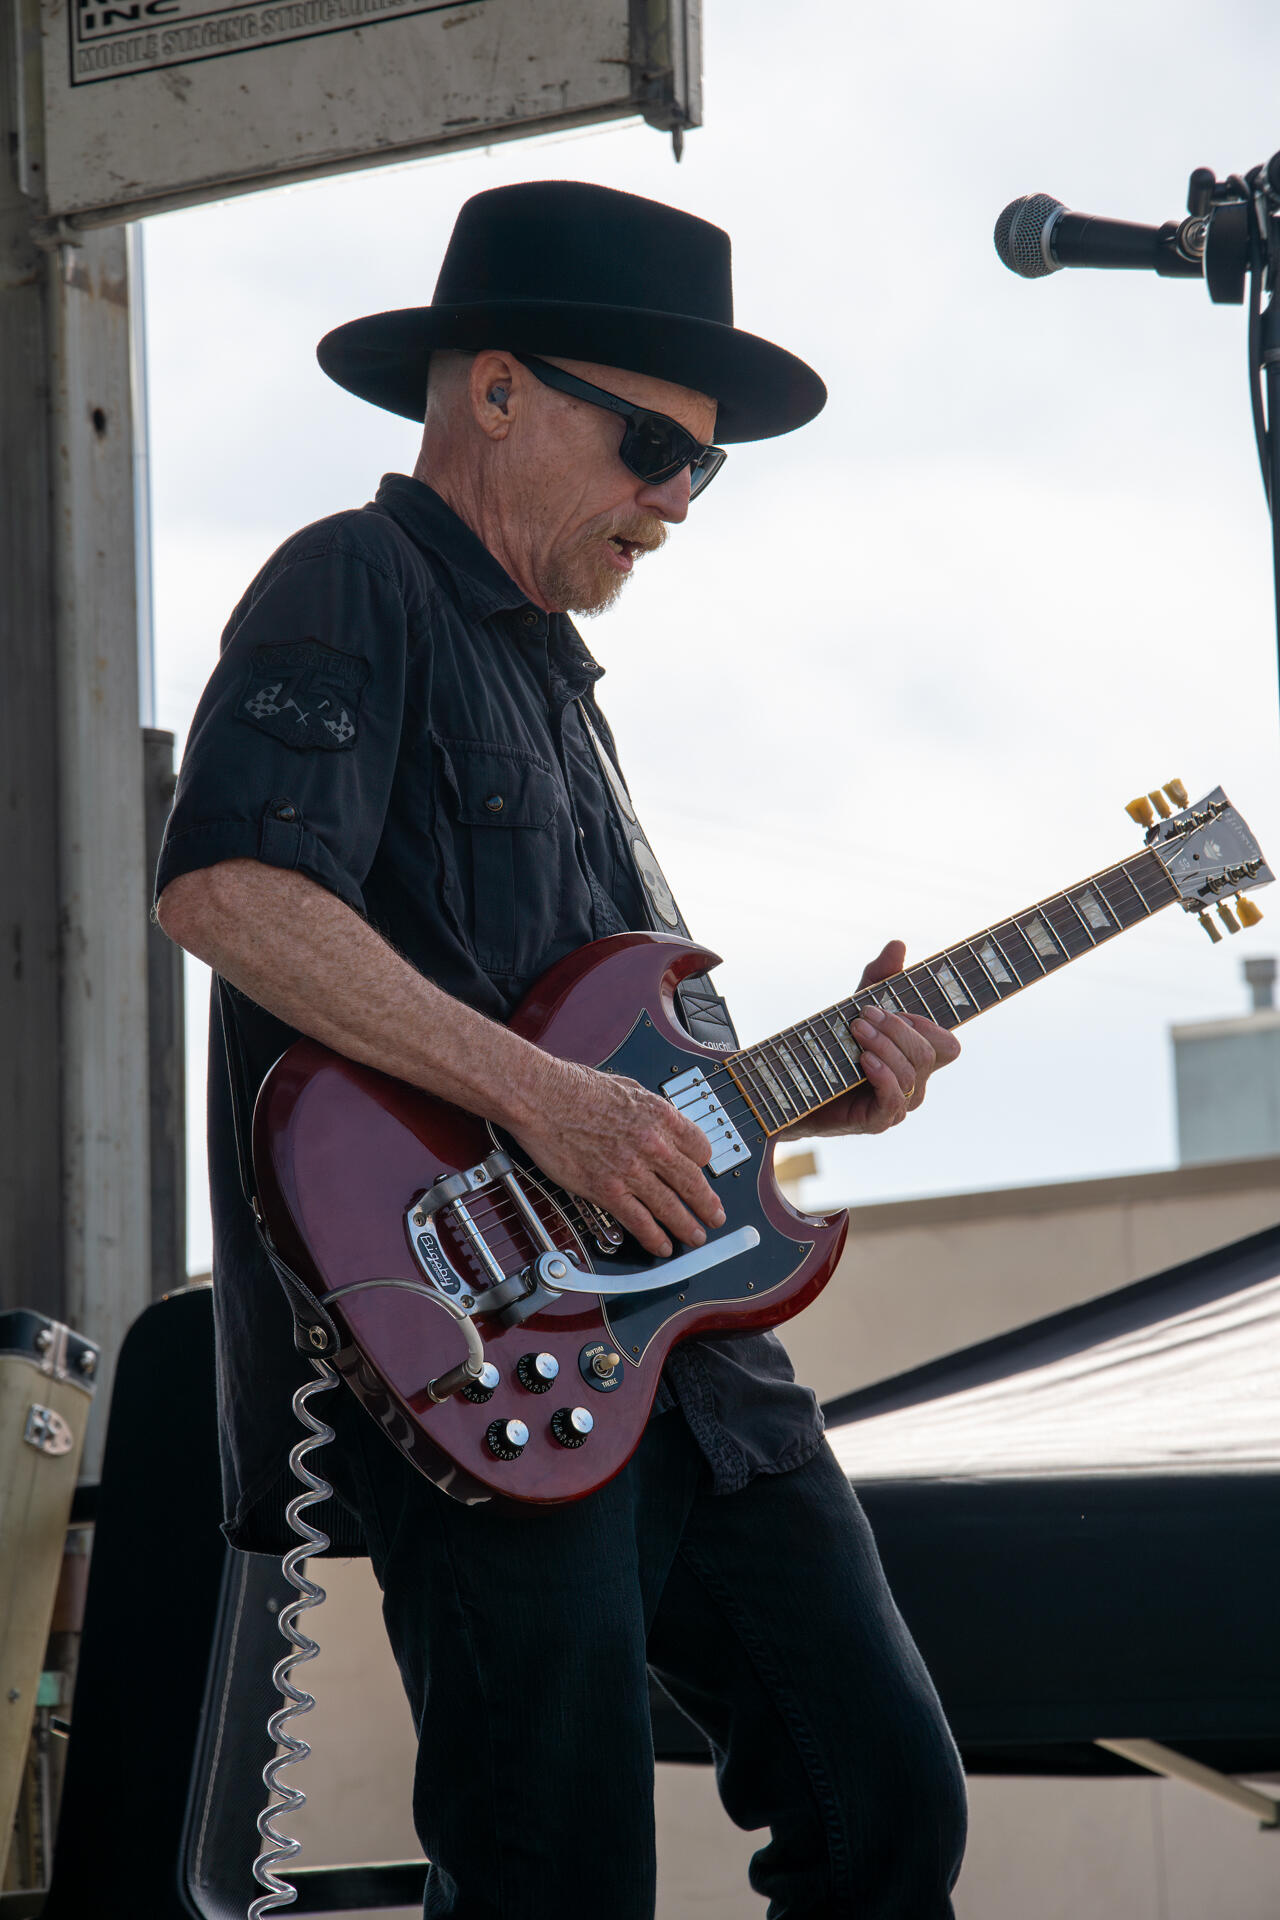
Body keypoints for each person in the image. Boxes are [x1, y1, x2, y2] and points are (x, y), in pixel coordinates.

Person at [155, 180, 968, 1918]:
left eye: (706, 470)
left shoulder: (563, 687)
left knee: (889, 1801)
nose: (675, 503)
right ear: (497, 391)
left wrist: (833, 1089)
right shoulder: (351, 580)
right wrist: (558, 1111)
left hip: (698, 1359)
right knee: (558, 1868)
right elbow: (231, 893)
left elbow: (622, 1062)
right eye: (651, 446)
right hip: (485, 1339)